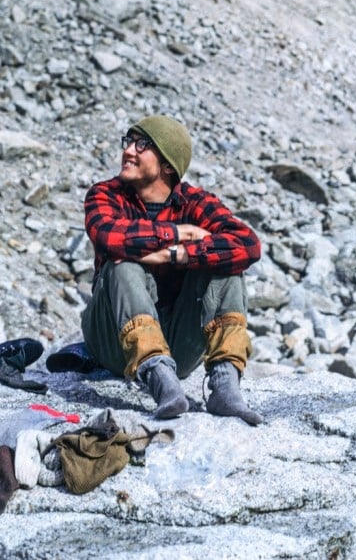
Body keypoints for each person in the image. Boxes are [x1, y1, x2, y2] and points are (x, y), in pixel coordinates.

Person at [79, 115, 263, 425]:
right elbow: (109, 238)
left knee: (226, 267)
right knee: (123, 265)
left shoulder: (194, 202)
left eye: (143, 145)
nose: (129, 151)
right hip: (112, 341)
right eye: (129, 142)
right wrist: (180, 233)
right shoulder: (105, 194)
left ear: (168, 166)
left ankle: (224, 385)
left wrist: (175, 256)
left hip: (178, 344)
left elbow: (248, 244)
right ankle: (160, 382)